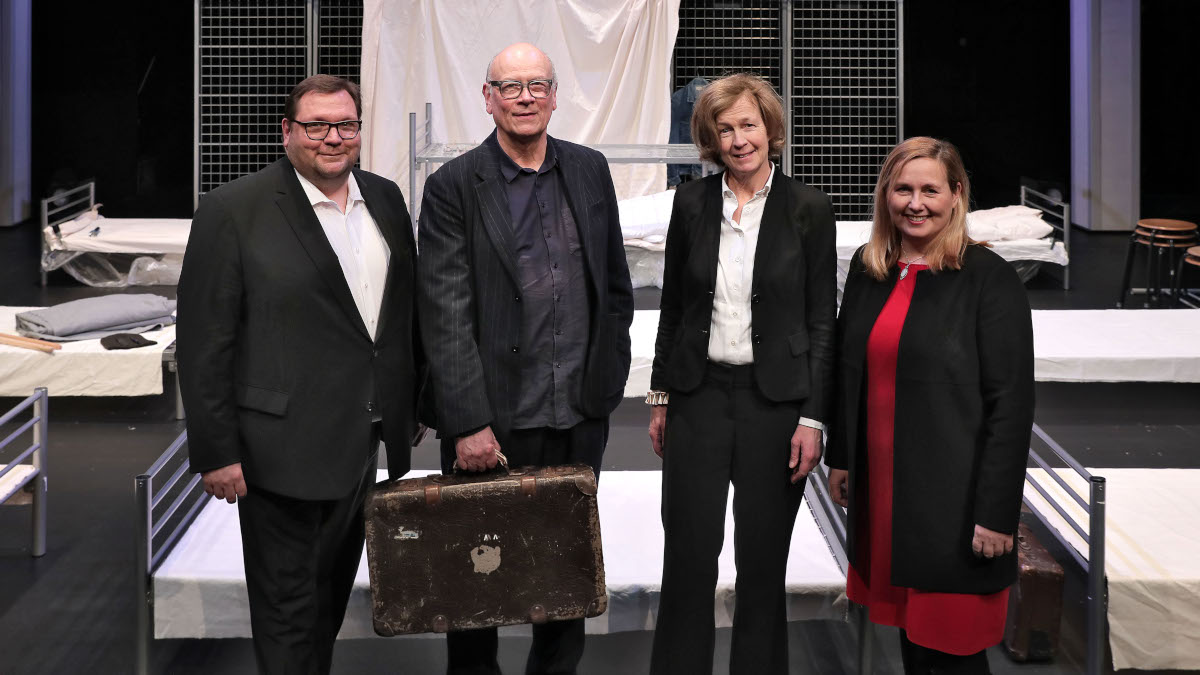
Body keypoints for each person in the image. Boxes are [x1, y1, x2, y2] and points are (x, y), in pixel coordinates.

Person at [177, 75, 422, 674]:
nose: (331, 138)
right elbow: (205, 341)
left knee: (327, 605)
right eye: (316, 127)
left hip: (361, 444)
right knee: (286, 612)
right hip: (276, 453)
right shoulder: (233, 210)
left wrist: (410, 407)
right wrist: (216, 451)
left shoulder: (386, 199)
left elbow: (399, 319)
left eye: (345, 125)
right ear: (287, 132)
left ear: (360, 131)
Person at [416, 42, 633, 675]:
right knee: (476, 582)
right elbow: (445, 311)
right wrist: (466, 422)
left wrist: (607, 377)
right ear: (487, 98)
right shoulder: (453, 185)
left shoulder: (590, 170)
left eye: (537, 85)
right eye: (509, 87)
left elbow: (613, 286)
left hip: (578, 413)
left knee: (565, 578)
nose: (525, 97)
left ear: (555, 95)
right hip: (494, 420)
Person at [647, 73, 836, 674]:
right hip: (697, 397)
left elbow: (821, 323)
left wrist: (813, 416)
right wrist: (660, 395)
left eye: (748, 125)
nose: (738, 139)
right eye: (724, 129)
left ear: (770, 130)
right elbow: (673, 306)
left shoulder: (809, 209)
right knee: (688, 559)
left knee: (761, 563)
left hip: (774, 405)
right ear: (710, 137)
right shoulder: (690, 203)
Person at [826, 136, 1035, 674]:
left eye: (930, 190)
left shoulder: (989, 279)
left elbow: (1011, 407)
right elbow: (850, 372)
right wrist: (843, 458)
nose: (915, 203)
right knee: (916, 649)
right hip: (888, 500)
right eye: (902, 189)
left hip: (954, 507)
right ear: (885, 196)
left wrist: (996, 514)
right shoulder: (870, 269)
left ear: (956, 195)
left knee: (952, 653)